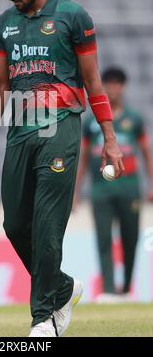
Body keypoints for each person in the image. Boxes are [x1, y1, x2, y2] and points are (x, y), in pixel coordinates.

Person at [0, 0, 124, 337]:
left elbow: (92, 83)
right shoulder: (5, 24)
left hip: (61, 126)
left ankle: (43, 318)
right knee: (15, 225)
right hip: (21, 131)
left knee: (46, 226)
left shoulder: (74, 17)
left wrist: (109, 138)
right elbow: (0, 84)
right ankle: (62, 287)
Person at [74, 67, 153, 303]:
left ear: (123, 87)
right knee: (103, 238)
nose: (113, 88)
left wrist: (151, 185)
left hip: (130, 188)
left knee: (131, 238)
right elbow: (83, 157)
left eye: (117, 83)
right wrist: (75, 192)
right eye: (108, 83)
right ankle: (108, 289)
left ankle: (127, 288)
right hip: (100, 190)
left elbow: (146, 153)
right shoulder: (91, 123)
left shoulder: (134, 120)